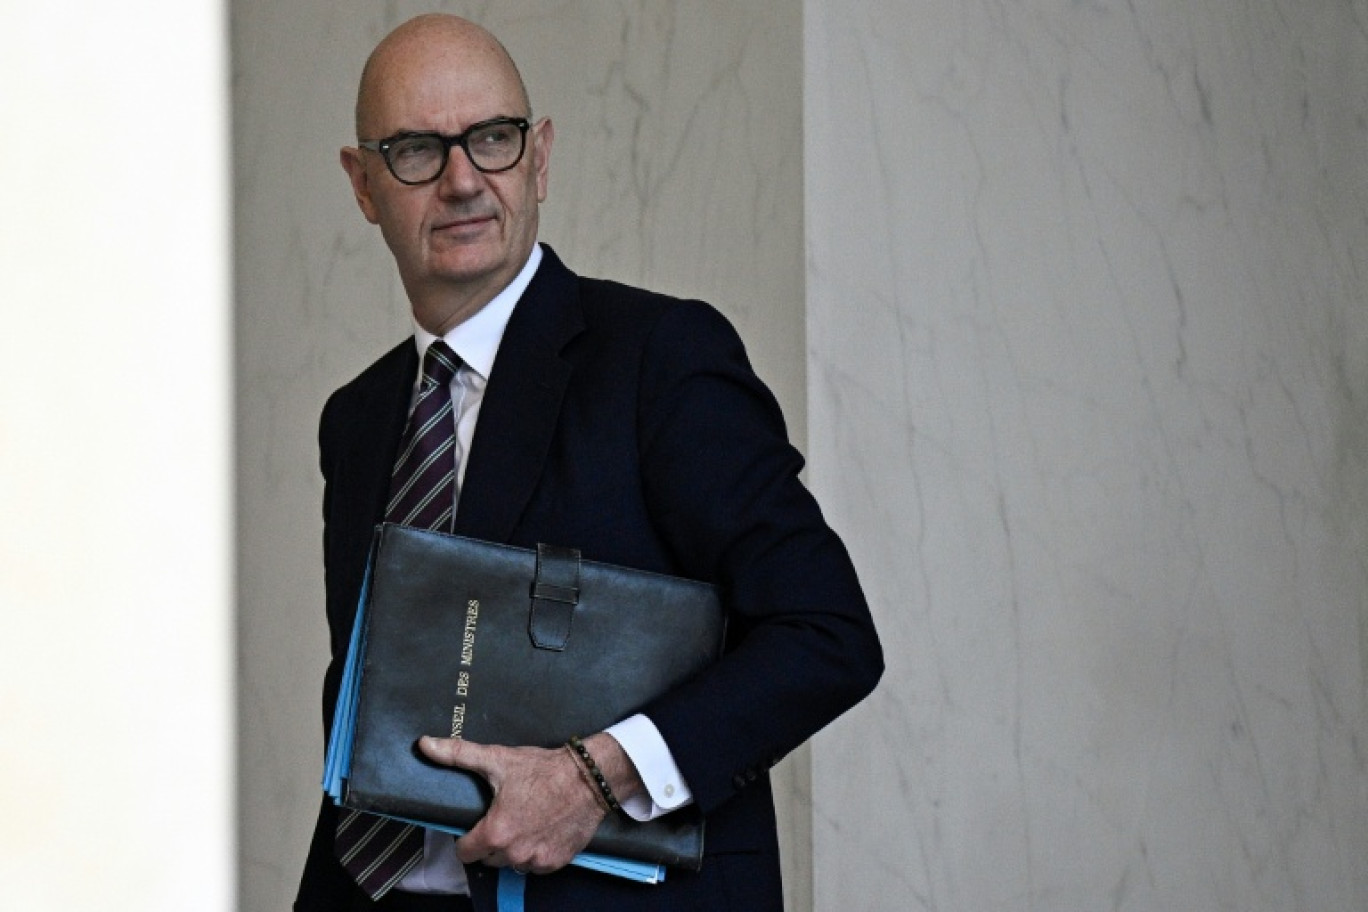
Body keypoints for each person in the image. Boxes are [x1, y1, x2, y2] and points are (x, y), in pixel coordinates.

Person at [294, 13, 883, 912]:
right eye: (416, 148)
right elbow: (376, 703)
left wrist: (597, 779)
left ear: (540, 157)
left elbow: (828, 633)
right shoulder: (360, 417)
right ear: (363, 183)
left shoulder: (660, 358)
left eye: (492, 139)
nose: (461, 180)